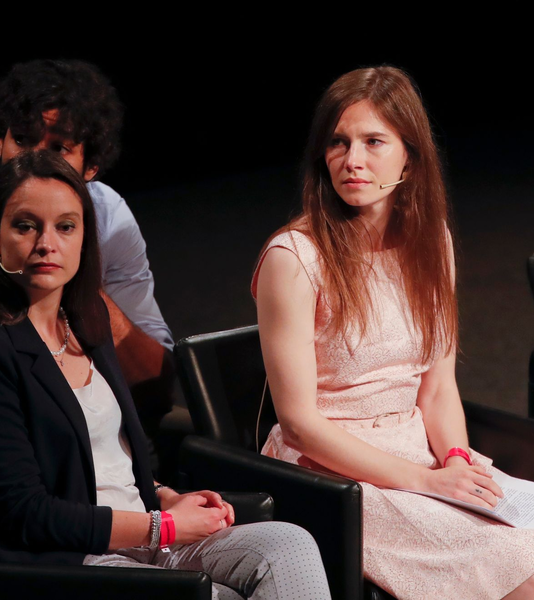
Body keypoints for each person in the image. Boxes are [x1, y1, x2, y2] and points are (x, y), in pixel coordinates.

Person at [253, 66, 534, 600]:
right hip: (332, 471)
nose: (352, 160)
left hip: (420, 451)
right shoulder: (295, 257)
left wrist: (456, 459)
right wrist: (425, 481)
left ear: (409, 158)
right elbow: (298, 424)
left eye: (373, 142)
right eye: (339, 143)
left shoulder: (432, 241)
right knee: (525, 580)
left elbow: (436, 389)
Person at [0, 150, 332, 600]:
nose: (46, 243)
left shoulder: (87, 318)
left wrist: (165, 496)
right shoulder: (6, 347)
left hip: (149, 531)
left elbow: (108, 459)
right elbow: (25, 513)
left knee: (289, 544)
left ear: (84, 238)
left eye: (65, 226)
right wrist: (165, 526)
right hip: (77, 557)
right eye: (25, 226)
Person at [0, 59, 174, 440]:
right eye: (22, 139)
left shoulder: (109, 220)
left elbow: (156, 384)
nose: (34, 160)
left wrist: (82, 285)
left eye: (58, 147)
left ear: (90, 167)